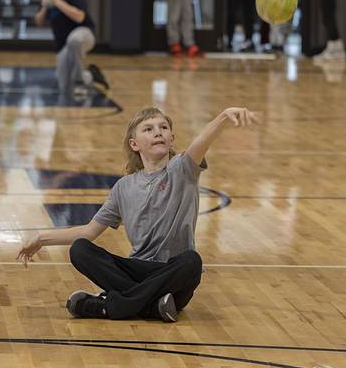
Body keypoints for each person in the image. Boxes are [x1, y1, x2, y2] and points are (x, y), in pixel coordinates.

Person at [16, 106, 261, 322]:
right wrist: (41, 238)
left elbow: (201, 142)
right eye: (148, 129)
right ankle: (153, 308)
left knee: (192, 261)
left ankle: (109, 307)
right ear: (135, 144)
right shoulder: (123, 187)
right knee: (80, 249)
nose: (158, 132)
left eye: (163, 127)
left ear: (171, 138)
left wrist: (223, 117)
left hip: (172, 278)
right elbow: (89, 231)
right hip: (137, 270)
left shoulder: (182, 169)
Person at [33, 0, 109, 100]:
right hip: (64, 46)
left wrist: (58, 2)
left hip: (84, 34)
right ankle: (91, 75)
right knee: (65, 86)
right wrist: (45, 6)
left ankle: (80, 83)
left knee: (74, 40)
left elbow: (80, 17)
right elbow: (38, 21)